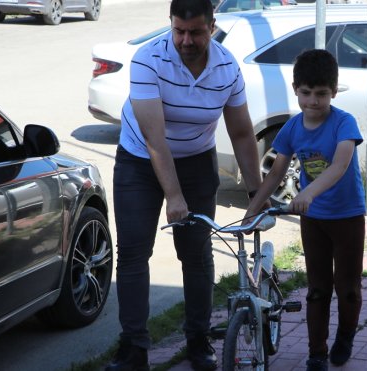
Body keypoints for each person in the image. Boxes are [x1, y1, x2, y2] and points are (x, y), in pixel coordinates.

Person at [107, 0, 263, 370]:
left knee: (195, 253)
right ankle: (134, 347)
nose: (186, 40)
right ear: (171, 25)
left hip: (195, 161)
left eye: (195, 31)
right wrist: (173, 197)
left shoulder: (226, 67)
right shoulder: (148, 60)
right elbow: (154, 139)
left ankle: (198, 340)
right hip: (140, 161)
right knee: (132, 253)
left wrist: (257, 195)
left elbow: (241, 133)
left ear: (212, 25)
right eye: (179, 30)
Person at [244, 49, 366, 371]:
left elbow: (339, 166)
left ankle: (346, 336)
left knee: (348, 288)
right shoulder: (293, 128)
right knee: (317, 289)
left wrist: (308, 193)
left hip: (348, 216)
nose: (313, 101)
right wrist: (251, 213)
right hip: (314, 220)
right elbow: (274, 173)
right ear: (296, 89)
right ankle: (316, 353)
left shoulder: (344, 123)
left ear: (334, 92)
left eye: (322, 94)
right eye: (307, 93)